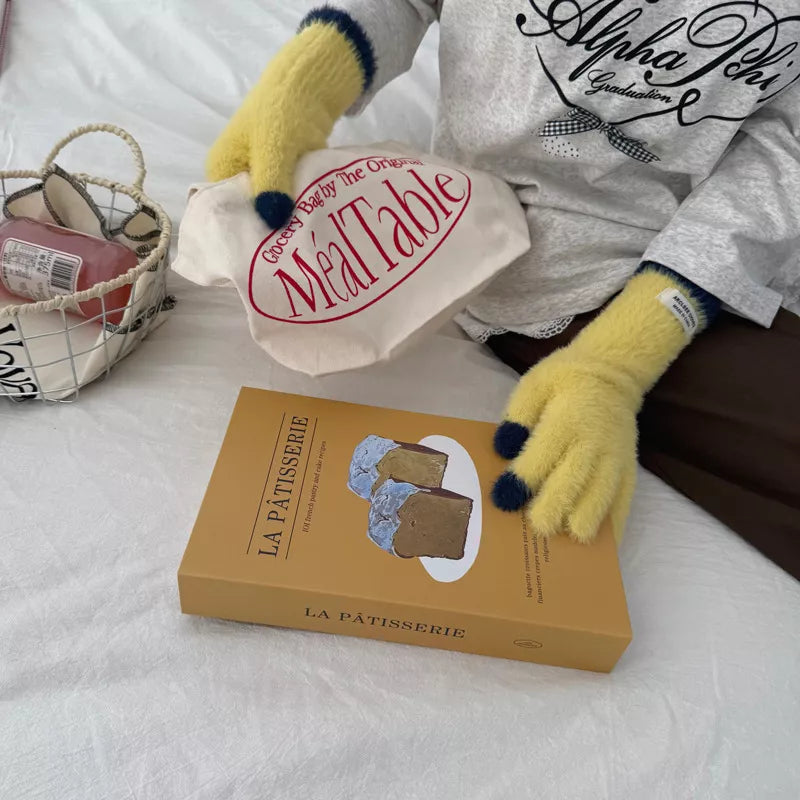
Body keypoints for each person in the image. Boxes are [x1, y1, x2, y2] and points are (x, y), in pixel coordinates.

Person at [207, 2, 800, 579]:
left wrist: (621, 358)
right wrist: (309, 74)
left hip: (709, 261)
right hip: (542, 265)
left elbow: (784, 143)